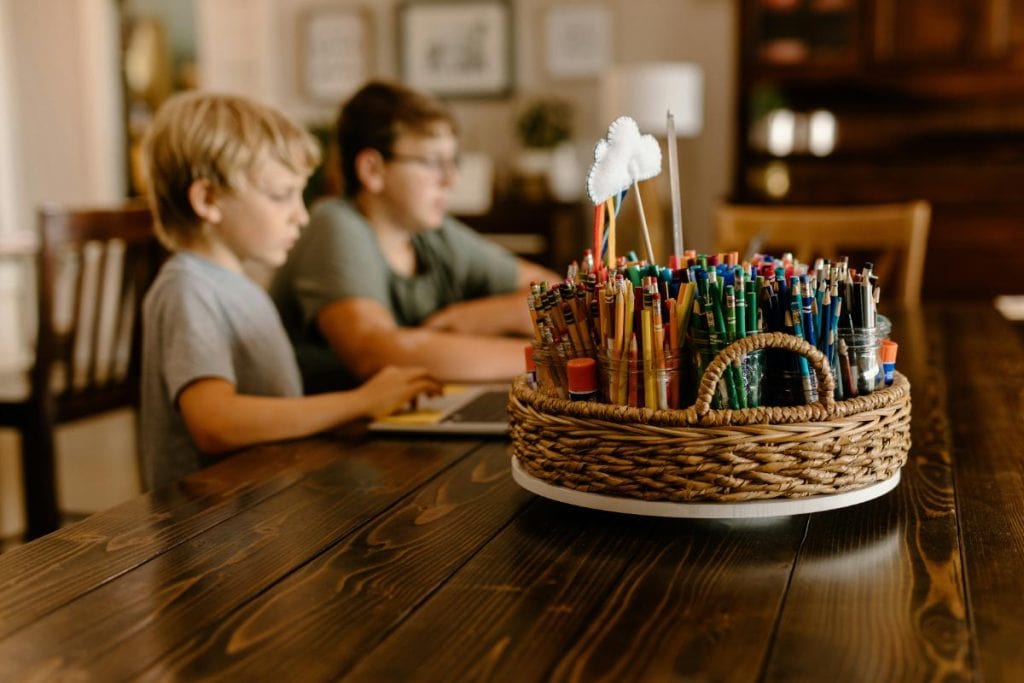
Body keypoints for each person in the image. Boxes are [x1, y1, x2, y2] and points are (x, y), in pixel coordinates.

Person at [139, 91, 441, 490]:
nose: (300, 215)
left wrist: (348, 416)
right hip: (211, 537)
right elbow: (215, 423)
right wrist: (358, 401)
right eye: (282, 195)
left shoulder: (237, 286)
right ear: (208, 199)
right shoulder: (188, 289)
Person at [271, 81, 559, 393]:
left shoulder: (431, 236)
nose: (451, 179)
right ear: (372, 170)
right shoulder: (335, 224)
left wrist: (474, 318)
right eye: (433, 162)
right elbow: (375, 353)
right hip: (329, 437)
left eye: (453, 162)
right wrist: (545, 360)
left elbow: (554, 296)